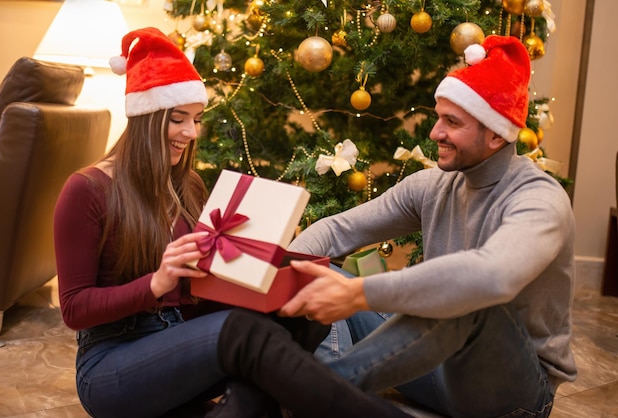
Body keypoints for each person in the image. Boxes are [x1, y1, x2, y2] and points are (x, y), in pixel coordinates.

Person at [53, 27, 414, 418]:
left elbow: (201, 296)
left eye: (195, 120)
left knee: (296, 317)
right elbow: (74, 309)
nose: (190, 134)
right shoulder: (87, 189)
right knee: (243, 335)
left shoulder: (186, 185)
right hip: (111, 364)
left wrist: (264, 275)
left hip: (181, 347)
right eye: (178, 120)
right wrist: (156, 283)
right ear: (146, 117)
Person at [281, 35, 577, 418]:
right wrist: (283, 272)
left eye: (452, 122)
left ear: (495, 133)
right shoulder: (432, 186)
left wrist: (361, 293)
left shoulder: (539, 199)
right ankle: (323, 394)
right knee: (319, 272)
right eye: (439, 117)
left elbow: (490, 278)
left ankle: (318, 391)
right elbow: (337, 231)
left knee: (471, 299)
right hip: (435, 368)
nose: (435, 132)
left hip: (512, 393)